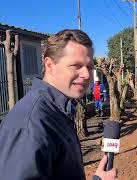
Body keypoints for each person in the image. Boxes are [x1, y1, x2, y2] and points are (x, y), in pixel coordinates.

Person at [0, 29, 117, 180]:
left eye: (89, 67)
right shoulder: (31, 124)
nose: (87, 75)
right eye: (76, 65)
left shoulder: (59, 111)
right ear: (50, 65)